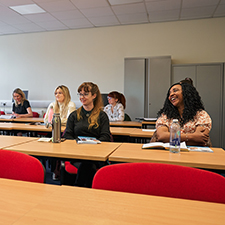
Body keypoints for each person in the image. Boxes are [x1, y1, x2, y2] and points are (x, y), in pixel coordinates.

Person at [63, 82, 111, 187]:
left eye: (85, 94)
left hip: (96, 154)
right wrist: (78, 145)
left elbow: (106, 136)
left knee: (88, 164)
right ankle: (87, 190)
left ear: (94, 96)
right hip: (77, 153)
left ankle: (78, 188)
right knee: (88, 166)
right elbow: (67, 135)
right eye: (80, 94)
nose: (82, 97)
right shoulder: (74, 115)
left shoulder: (102, 116)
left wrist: (93, 145)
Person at [155, 82, 212, 146]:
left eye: (175, 90)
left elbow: (200, 140)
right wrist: (191, 137)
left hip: (195, 154)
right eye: (169, 93)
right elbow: (162, 137)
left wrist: (171, 139)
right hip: (171, 152)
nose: (171, 94)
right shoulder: (166, 115)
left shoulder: (201, 115)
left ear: (186, 93)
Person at [44, 85, 76, 180]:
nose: (57, 95)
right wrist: (53, 121)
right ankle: (54, 170)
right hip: (54, 130)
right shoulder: (52, 104)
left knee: (59, 144)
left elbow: (69, 120)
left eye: (60, 93)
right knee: (50, 144)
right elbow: (46, 119)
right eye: (56, 93)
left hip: (66, 131)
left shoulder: (71, 104)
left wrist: (55, 120)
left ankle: (58, 171)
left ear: (65, 94)